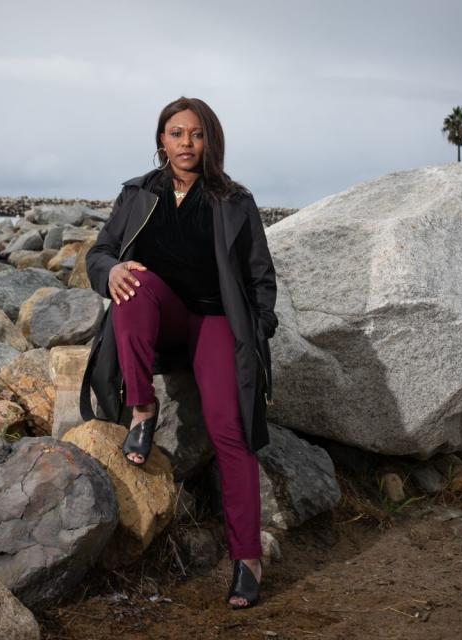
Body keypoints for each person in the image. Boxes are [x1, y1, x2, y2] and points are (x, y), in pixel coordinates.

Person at [79, 96, 278, 609]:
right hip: (160, 315)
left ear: (210, 140)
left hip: (215, 321)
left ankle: (247, 558)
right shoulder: (137, 194)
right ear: (160, 140)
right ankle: (143, 408)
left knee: (230, 432)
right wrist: (111, 271)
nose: (186, 143)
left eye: (196, 134)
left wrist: (258, 333)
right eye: (175, 133)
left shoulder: (234, 201)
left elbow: (260, 279)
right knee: (132, 282)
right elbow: (99, 253)